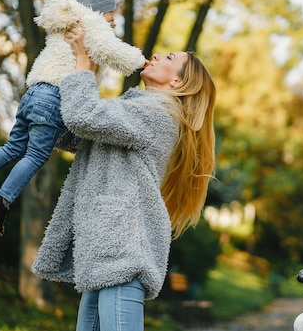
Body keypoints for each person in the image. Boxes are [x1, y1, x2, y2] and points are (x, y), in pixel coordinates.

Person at [30, 23, 216, 331]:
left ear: (176, 81)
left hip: (122, 247)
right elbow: (75, 132)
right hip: (103, 246)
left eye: (168, 58)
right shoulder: (134, 108)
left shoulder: (159, 115)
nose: (156, 55)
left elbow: (84, 116)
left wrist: (84, 64)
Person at [0, 0, 145, 238]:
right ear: (95, 9)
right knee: (36, 154)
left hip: (33, 94)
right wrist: (141, 61)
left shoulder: (63, 25)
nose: (113, 22)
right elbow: (112, 51)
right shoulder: (90, 24)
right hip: (54, 96)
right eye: (111, 15)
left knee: (13, 147)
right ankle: (1, 200)